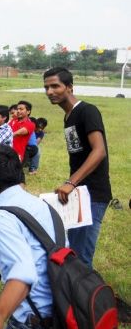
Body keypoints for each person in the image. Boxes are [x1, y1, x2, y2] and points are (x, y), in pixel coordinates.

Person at [0, 144, 57, 329]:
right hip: (60, 304)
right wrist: (4, 269)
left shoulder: (0, 214)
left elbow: (24, 271)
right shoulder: (39, 204)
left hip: (32, 318)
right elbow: (44, 251)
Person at [43, 67, 112, 268]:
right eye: (46, 87)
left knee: (81, 260)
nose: (49, 92)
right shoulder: (68, 117)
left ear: (70, 87)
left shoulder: (86, 111)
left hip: (93, 194)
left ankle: (90, 297)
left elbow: (99, 151)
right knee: (72, 250)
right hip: (79, 193)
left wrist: (71, 182)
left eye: (55, 86)